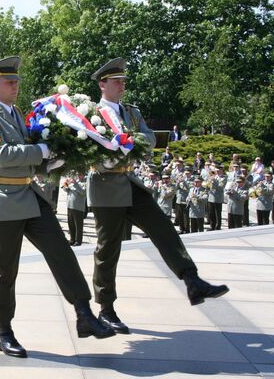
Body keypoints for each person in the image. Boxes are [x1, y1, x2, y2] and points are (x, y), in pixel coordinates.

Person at [0, 56, 114, 359]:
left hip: (29, 193)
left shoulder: (15, 113)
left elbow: (29, 157)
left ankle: (84, 313)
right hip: (2, 198)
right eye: (9, 82)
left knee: (61, 252)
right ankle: (4, 330)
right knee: (5, 270)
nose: (15, 87)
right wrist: (40, 150)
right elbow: (2, 154)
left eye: (16, 82)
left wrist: (52, 160)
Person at [86, 58, 228, 336]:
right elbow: (92, 152)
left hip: (131, 182)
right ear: (102, 84)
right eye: (117, 81)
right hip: (105, 186)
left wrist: (127, 142)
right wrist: (123, 145)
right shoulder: (90, 114)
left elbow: (150, 139)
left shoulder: (131, 112)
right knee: (107, 250)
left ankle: (191, 279)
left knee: (163, 228)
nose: (122, 85)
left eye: (123, 81)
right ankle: (106, 308)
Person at [62, 173, 87, 246]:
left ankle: (78, 241)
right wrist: (66, 184)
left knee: (78, 225)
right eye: (77, 174)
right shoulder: (73, 181)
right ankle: (72, 239)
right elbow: (66, 190)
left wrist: (75, 184)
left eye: (80, 174)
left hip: (78, 207)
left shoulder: (85, 182)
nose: (78, 176)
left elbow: (83, 192)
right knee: (71, 224)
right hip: (70, 205)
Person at [207, 165, 227, 230]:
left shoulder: (224, 178)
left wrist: (214, 180)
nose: (217, 172)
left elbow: (220, 187)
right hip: (211, 196)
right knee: (211, 212)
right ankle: (212, 226)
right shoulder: (214, 177)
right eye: (216, 170)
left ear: (222, 170)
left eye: (219, 170)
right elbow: (208, 185)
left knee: (217, 213)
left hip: (218, 197)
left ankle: (218, 226)